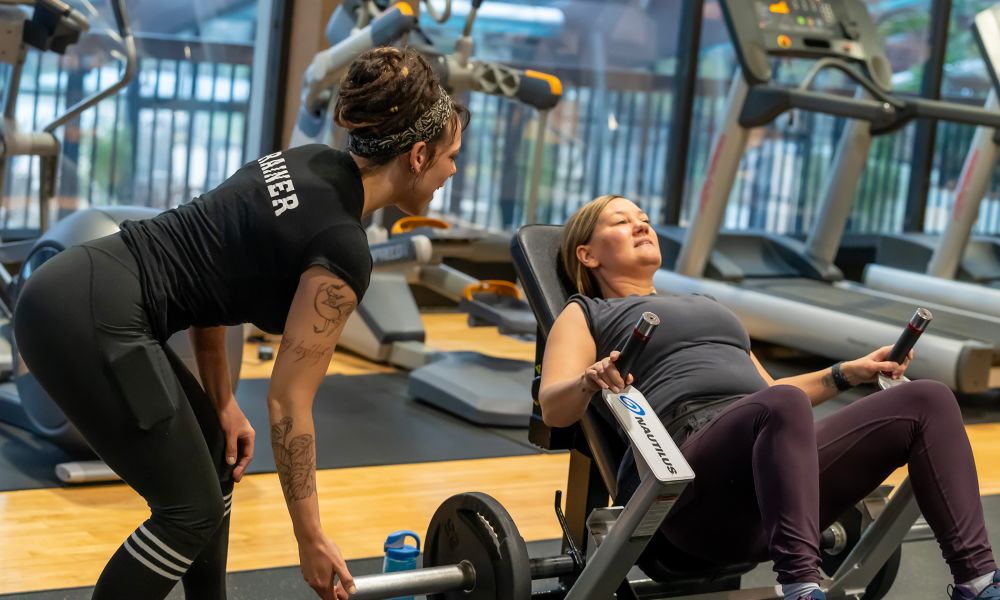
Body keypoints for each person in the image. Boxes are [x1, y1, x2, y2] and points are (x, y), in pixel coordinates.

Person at [13, 47, 469, 600]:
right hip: (92, 317)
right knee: (187, 513)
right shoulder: (343, 247)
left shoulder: (305, 161)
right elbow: (288, 402)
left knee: (216, 455)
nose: (452, 171)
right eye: (450, 157)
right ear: (418, 155)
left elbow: (214, 275)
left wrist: (223, 403)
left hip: (75, 283)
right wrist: (310, 538)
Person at [538, 194, 999, 600]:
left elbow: (772, 393)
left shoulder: (706, 305)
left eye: (644, 218)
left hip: (766, 466)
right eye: (621, 221)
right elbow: (556, 408)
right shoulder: (588, 313)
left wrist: (848, 372)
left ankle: (977, 581)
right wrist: (588, 382)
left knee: (927, 399)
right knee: (779, 406)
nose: (641, 225)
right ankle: (801, 587)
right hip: (683, 477)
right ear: (588, 254)